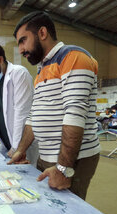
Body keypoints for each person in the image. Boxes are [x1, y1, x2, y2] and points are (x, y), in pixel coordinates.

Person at [10, 11, 100, 200]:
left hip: (74, 159)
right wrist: (21, 150)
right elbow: (34, 116)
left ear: (42, 33)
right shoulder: (42, 69)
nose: (20, 49)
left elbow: (75, 114)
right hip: (47, 155)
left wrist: (63, 168)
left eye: (23, 41)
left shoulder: (74, 57)